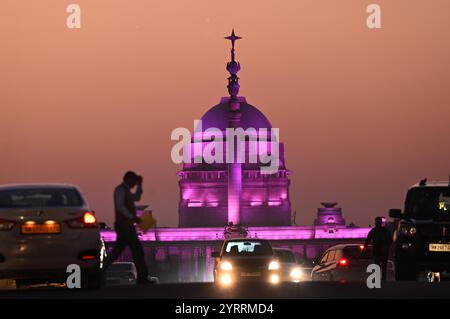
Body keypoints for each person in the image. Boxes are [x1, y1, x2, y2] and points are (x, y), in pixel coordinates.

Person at [103, 171, 155, 284]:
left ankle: (99, 272)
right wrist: (132, 217)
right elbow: (120, 206)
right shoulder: (120, 190)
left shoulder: (125, 191)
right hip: (124, 225)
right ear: (128, 179)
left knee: (118, 252)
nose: (134, 184)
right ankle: (142, 277)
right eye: (134, 181)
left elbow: (136, 197)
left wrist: (140, 186)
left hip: (126, 225)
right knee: (137, 250)